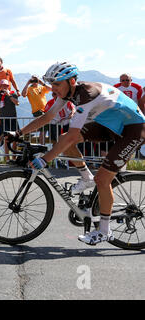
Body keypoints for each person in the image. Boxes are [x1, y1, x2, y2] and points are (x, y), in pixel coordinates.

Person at [12, 61, 145, 245]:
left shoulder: (87, 95)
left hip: (133, 129)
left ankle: (104, 231)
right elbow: (48, 117)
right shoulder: (67, 93)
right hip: (110, 125)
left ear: (72, 81)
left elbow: (73, 136)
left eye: (57, 84)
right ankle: (86, 178)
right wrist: (18, 133)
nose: (53, 89)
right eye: (52, 84)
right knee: (63, 139)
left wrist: (45, 160)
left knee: (102, 179)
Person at [0, 79, 19, 161]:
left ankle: (14, 157)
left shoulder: (13, 94)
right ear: (0, 87)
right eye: (3, 86)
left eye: (6, 85)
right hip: (3, 119)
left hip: (13, 118)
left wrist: (9, 95)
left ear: (8, 86)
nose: (4, 87)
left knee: (15, 139)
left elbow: (17, 103)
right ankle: (7, 158)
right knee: (6, 138)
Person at [22, 75, 52, 144]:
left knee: (41, 127)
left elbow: (51, 89)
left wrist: (42, 83)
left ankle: (25, 131)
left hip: (45, 110)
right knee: (44, 128)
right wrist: (27, 83)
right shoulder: (29, 89)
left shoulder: (41, 87)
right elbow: (23, 94)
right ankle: (42, 145)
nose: (35, 82)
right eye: (33, 80)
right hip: (37, 111)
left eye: (36, 80)